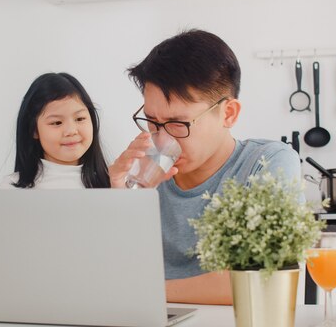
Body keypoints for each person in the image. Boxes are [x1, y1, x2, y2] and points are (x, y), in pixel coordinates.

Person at [109, 29, 301, 305]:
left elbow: (261, 282)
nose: (163, 138)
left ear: (229, 113)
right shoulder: (140, 175)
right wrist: (118, 200)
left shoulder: (267, 163)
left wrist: (145, 291)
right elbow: (111, 277)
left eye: (179, 124)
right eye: (152, 122)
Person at [0, 72, 110, 189]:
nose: (71, 131)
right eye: (57, 123)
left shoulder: (113, 183)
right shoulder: (12, 188)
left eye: (80, 119)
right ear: (34, 130)